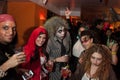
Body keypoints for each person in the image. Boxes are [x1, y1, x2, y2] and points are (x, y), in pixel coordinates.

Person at [0, 14, 26, 80]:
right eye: (5, 28)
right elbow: (6, 65)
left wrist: (17, 71)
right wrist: (7, 65)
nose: (11, 32)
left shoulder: (8, 47)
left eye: (14, 29)